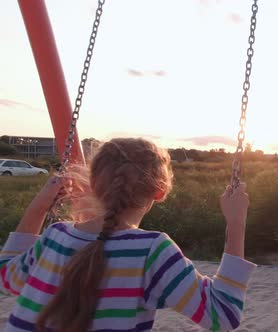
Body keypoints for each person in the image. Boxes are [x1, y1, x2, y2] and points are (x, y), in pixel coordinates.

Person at [0, 138, 255, 332]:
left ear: (94, 182)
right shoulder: (151, 251)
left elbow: (5, 277)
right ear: (160, 192)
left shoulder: (56, 236)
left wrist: (40, 204)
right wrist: (236, 222)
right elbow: (222, 314)